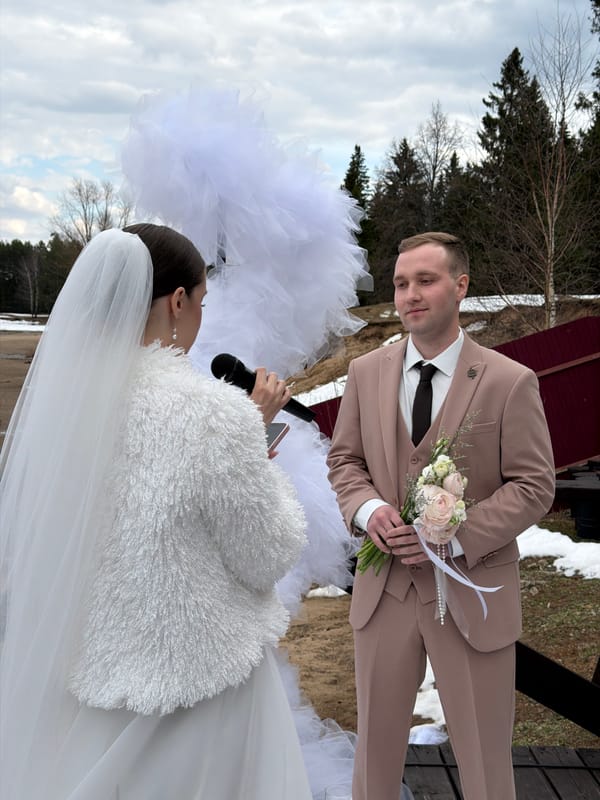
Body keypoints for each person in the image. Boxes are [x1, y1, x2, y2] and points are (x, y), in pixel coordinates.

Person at [0, 224, 312, 800]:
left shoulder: (60, 414)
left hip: (91, 685)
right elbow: (267, 554)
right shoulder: (212, 414)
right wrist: (251, 447)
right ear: (176, 302)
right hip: (205, 688)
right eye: (201, 301)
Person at [326, 231, 555, 800]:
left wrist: (454, 537)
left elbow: (533, 484)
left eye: (425, 280)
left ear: (461, 286)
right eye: (401, 284)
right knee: (373, 759)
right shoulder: (365, 373)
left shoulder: (508, 381)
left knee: (483, 761)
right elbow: (345, 461)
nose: (410, 295)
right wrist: (369, 510)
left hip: (472, 592)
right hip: (384, 596)